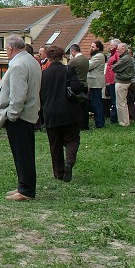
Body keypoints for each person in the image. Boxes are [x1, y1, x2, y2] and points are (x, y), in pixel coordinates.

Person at [0, 34, 41, 201]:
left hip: (20, 116)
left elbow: (18, 95)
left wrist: (12, 115)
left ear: (10, 49)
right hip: (28, 114)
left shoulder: (18, 64)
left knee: (22, 154)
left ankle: (26, 190)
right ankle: (24, 185)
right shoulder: (30, 60)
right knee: (25, 153)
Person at [40, 46, 84, 182]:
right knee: (72, 139)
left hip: (50, 112)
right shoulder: (68, 70)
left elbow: (39, 94)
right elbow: (77, 87)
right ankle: (69, 162)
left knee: (55, 144)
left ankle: (58, 173)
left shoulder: (43, 74)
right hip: (69, 110)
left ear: (48, 57)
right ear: (62, 56)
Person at [112, 43, 135, 127]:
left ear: (123, 49)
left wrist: (115, 69)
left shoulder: (125, 58)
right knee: (122, 102)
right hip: (124, 82)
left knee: (121, 103)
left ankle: (124, 123)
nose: (117, 50)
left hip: (122, 82)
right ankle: (124, 121)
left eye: (118, 49)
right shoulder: (127, 57)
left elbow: (114, 67)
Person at [68, 43, 90, 130]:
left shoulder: (74, 61)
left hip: (77, 85)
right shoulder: (86, 59)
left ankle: (79, 124)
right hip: (85, 83)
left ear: (73, 51)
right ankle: (85, 123)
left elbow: (67, 69)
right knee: (84, 106)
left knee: (77, 106)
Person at [88, 40, 106, 128]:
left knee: (97, 103)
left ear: (98, 48)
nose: (91, 49)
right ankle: (99, 121)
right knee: (96, 103)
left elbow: (89, 65)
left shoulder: (98, 56)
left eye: (93, 47)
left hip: (96, 83)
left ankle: (99, 123)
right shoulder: (97, 56)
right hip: (94, 82)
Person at [105, 39, 121, 123]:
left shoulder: (116, 55)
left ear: (115, 46)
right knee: (113, 99)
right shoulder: (114, 54)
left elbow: (118, 66)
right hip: (111, 80)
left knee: (115, 100)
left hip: (114, 80)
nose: (109, 46)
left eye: (110, 45)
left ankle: (114, 118)